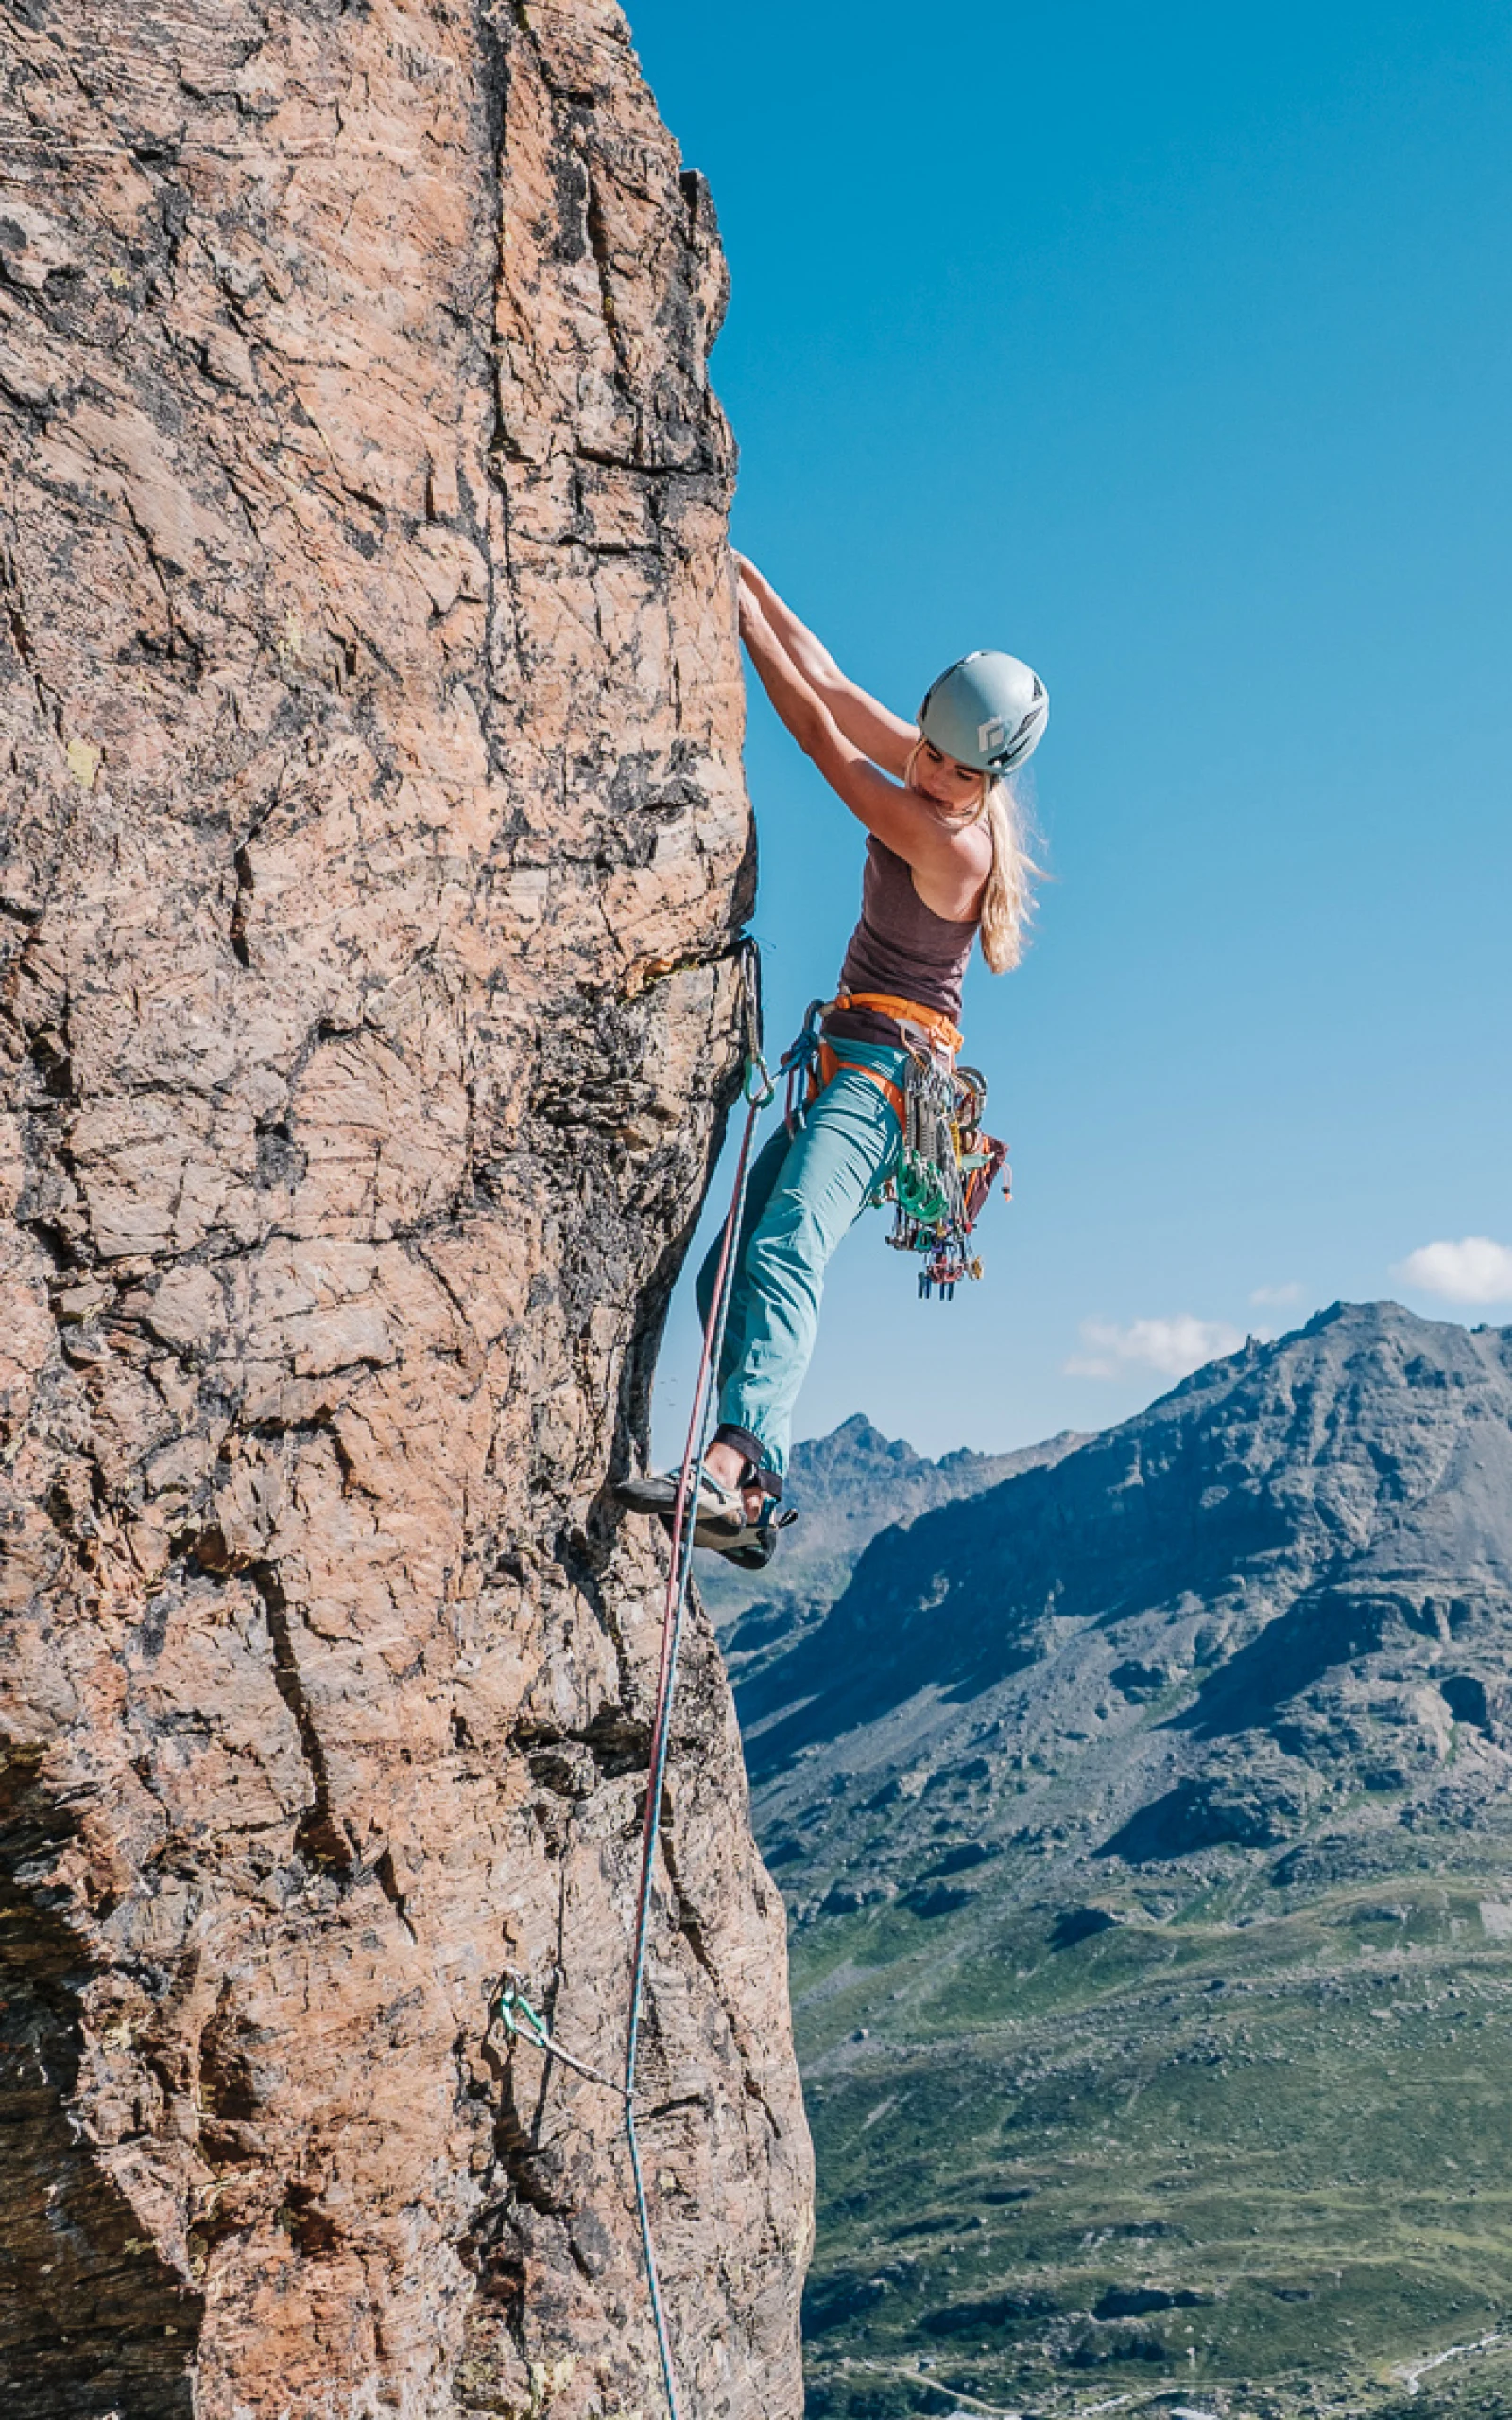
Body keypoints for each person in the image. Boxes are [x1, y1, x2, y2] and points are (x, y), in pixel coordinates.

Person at [620, 556, 1048, 1564]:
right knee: (729, 1270)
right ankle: (753, 1497)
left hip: (885, 1078)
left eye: (954, 770)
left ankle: (728, 1462)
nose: (930, 771)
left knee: (785, 1246)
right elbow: (841, 689)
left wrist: (729, 618)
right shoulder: (936, 766)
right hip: (852, 1059)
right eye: (931, 751)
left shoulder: (954, 841)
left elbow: (821, 737)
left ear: (985, 786)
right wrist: (743, 575)